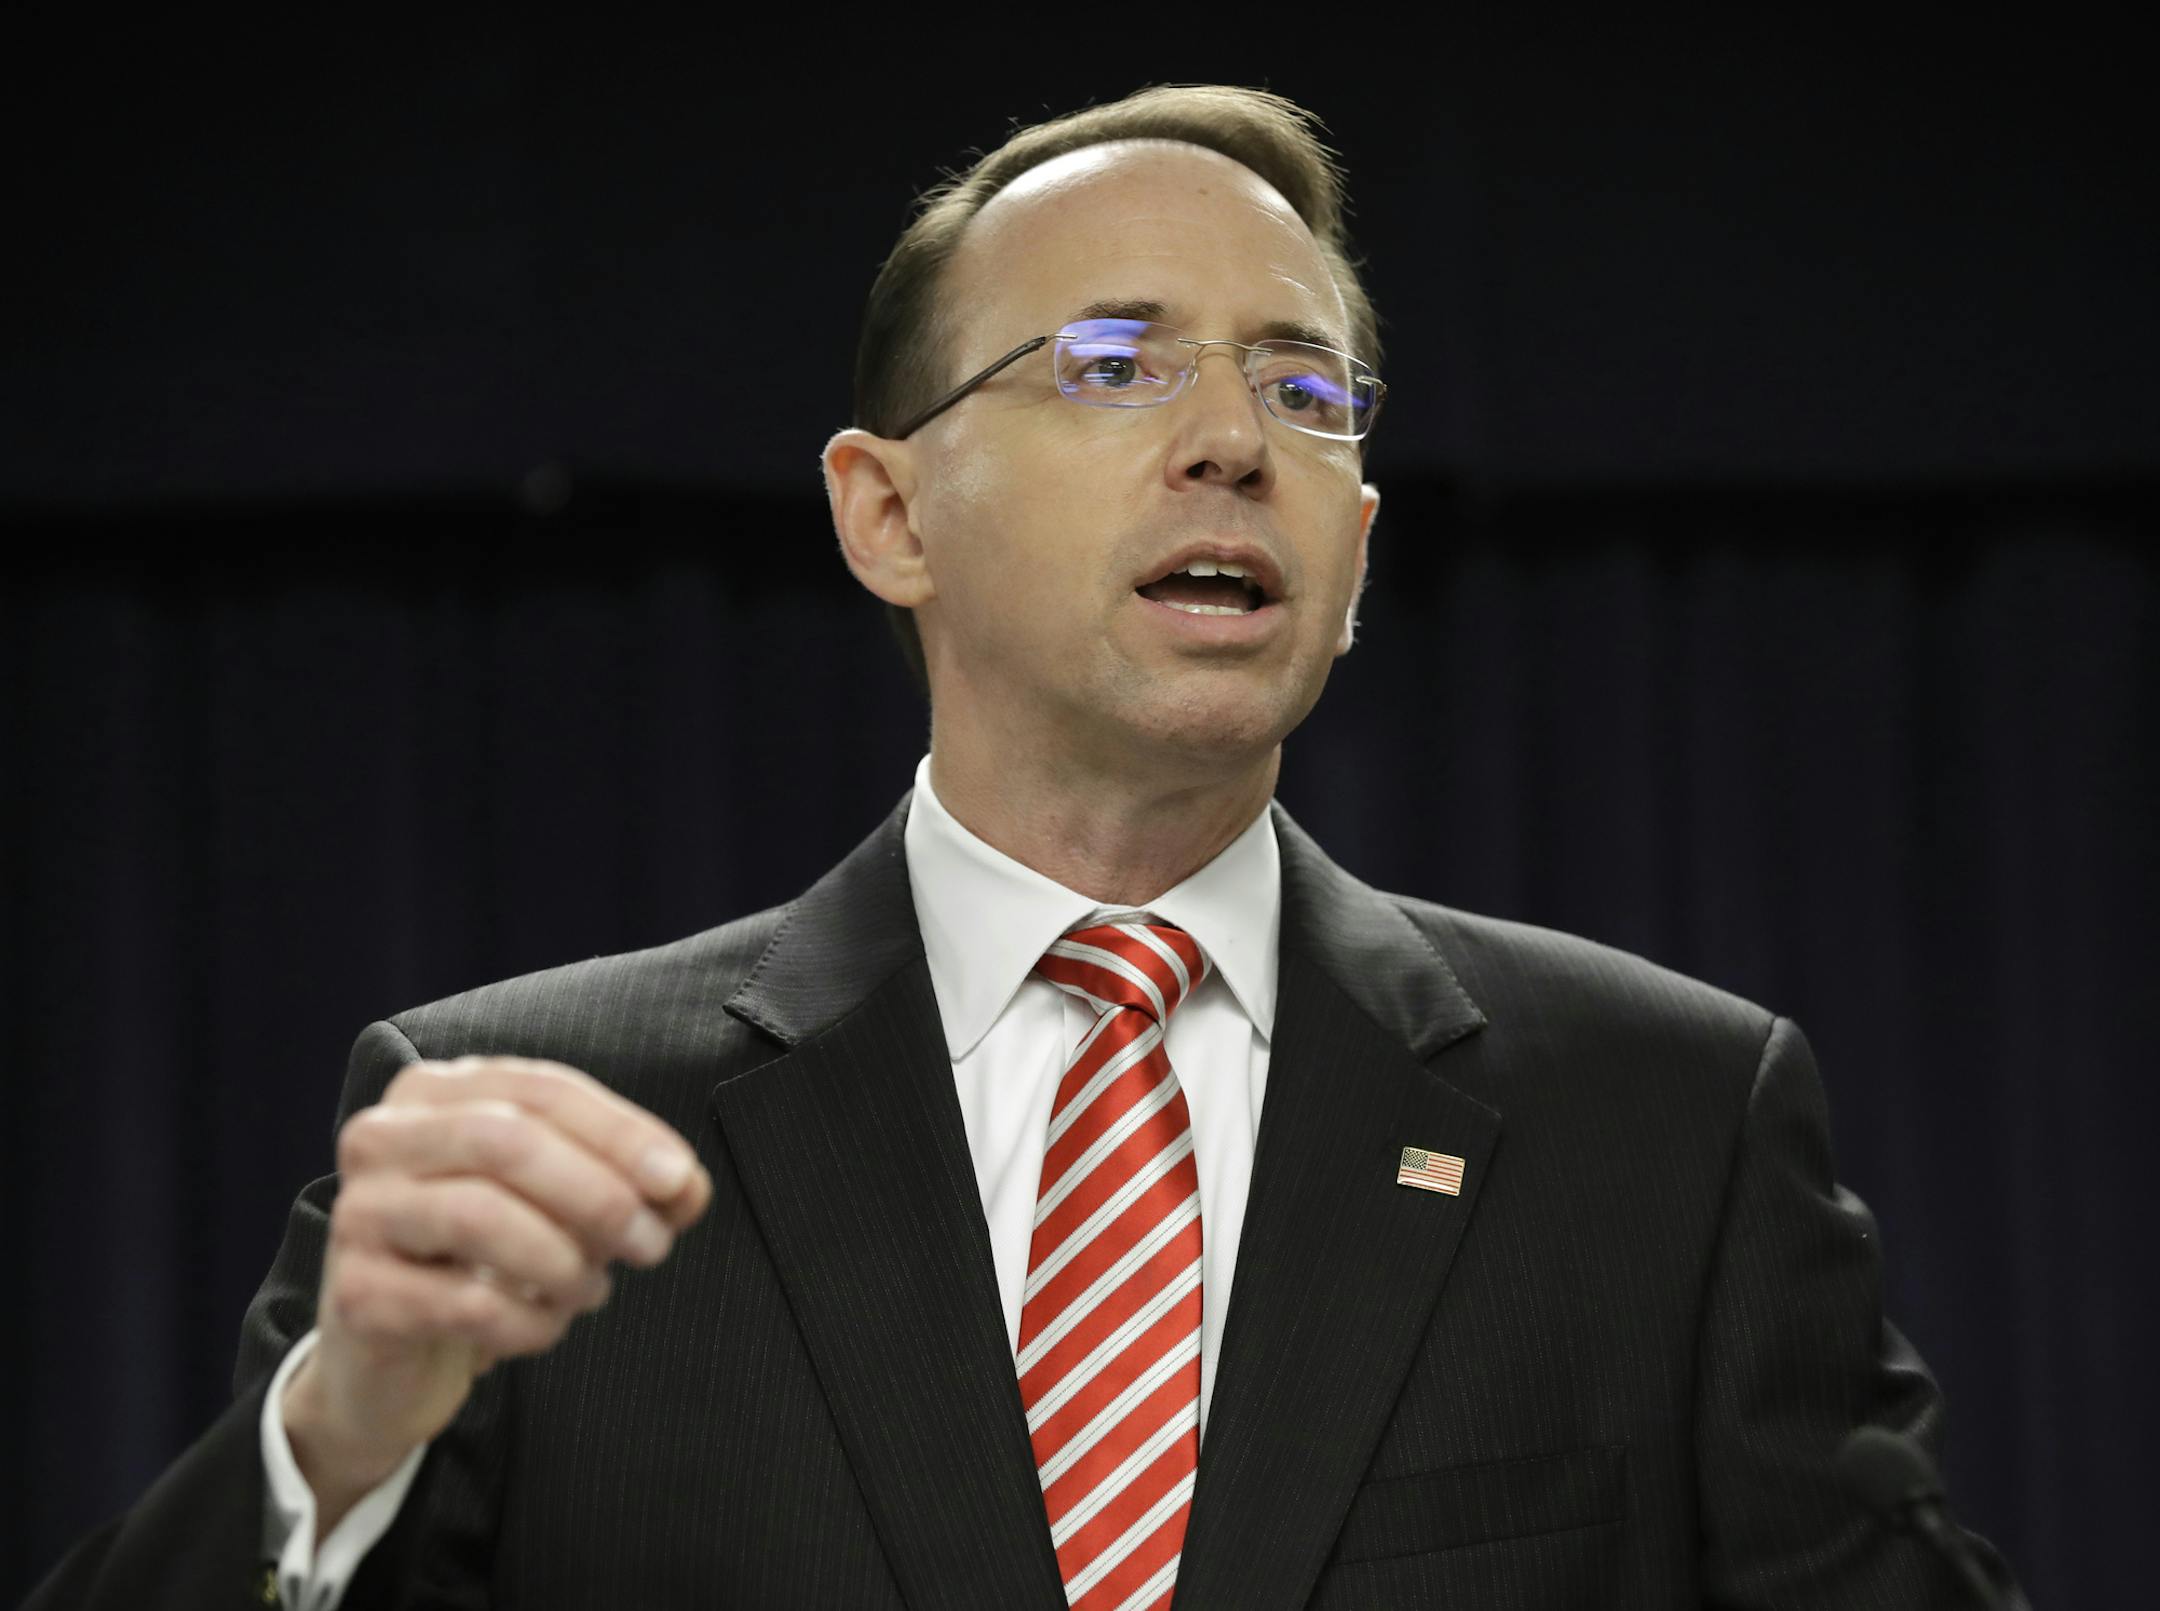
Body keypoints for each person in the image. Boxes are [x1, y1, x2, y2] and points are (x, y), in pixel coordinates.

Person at [28, 84, 2023, 1610]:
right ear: (888, 514)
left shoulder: (1664, 1125)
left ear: (1356, 556)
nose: (1236, 438)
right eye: (1115, 363)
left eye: (1303, 387)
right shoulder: (533, 1128)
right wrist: (334, 1443)